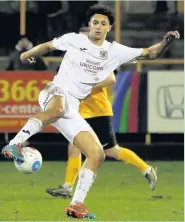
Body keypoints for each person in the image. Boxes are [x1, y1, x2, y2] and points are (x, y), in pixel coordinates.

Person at [1, 4, 180, 219]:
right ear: (89, 25)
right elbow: (48, 46)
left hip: (73, 107)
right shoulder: (75, 39)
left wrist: (165, 41)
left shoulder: (115, 51)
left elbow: (150, 53)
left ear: (109, 27)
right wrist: (26, 54)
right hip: (55, 91)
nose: (98, 26)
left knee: (97, 154)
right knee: (57, 109)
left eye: (103, 23)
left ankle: (76, 204)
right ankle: (15, 144)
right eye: (95, 22)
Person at [45, 27, 157, 200]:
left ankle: (146, 169)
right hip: (82, 112)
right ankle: (67, 187)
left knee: (112, 150)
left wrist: (85, 84)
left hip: (98, 111)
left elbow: (111, 78)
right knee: (74, 147)